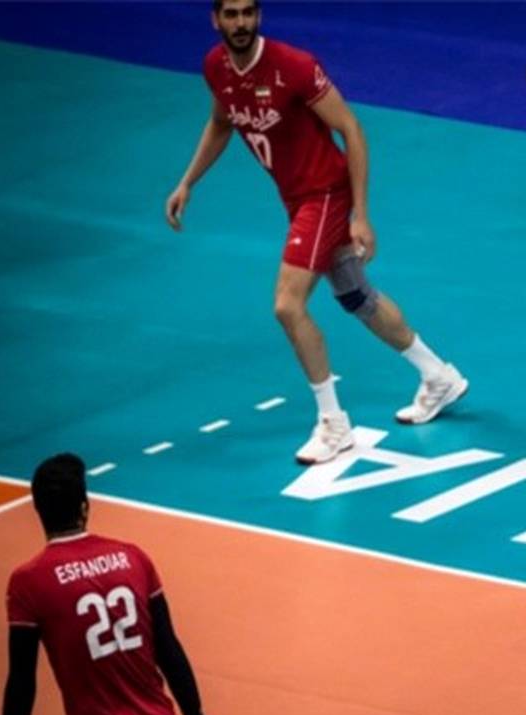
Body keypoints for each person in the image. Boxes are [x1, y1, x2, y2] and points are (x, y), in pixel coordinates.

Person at [165, 0, 468, 465]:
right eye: (231, 14)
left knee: (287, 305)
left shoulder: (294, 67)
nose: (241, 22)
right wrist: (188, 181)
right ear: (216, 19)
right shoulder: (216, 67)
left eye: (248, 12)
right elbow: (221, 123)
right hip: (295, 199)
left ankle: (333, 424)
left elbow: (351, 129)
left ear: (259, 16)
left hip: (324, 194)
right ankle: (438, 376)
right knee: (356, 296)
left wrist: (360, 214)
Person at [0, 454, 229, 715]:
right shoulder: (134, 557)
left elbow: (21, 680)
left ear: (39, 511)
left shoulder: (27, 582)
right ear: (85, 507)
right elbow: (169, 649)